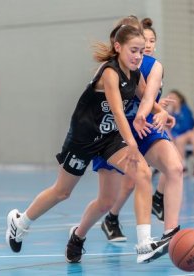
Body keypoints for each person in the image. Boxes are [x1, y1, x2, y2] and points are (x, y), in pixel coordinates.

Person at [5, 24, 171, 264]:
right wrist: (133, 143)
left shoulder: (135, 73)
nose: (138, 56)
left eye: (141, 52)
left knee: (142, 173)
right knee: (62, 192)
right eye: (133, 50)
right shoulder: (109, 73)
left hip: (109, 138)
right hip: (83, 138)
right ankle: (20, 222)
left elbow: (145, 97)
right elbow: (117, 112)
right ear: (118, 47)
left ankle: (144, 244)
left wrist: (161, 112)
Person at [69, 18, 181, 262]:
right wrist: (150, 111)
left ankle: (168, 234)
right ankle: (89, 229)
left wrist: (158, 112)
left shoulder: (151, 66)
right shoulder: (116, 68)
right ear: (123, 43)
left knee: (169, 168)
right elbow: (121, 108)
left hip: (142, 128)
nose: (146, 47)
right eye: (142, 43)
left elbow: (147, 96)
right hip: (113, 133)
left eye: (150, 42)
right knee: (108, 198)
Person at [165, 89, 194, 173]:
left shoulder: (185, 110)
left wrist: (175, 134)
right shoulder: (169, 111)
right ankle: (168, 166)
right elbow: (166, 126)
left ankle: (183, 165)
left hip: (187, 134)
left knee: (179, 140)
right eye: (170, 98)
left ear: (179, 99)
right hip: (175, 135)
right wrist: (168, 112)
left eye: (174, 98)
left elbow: (187, 126)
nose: (171, 100)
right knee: (169, 139)